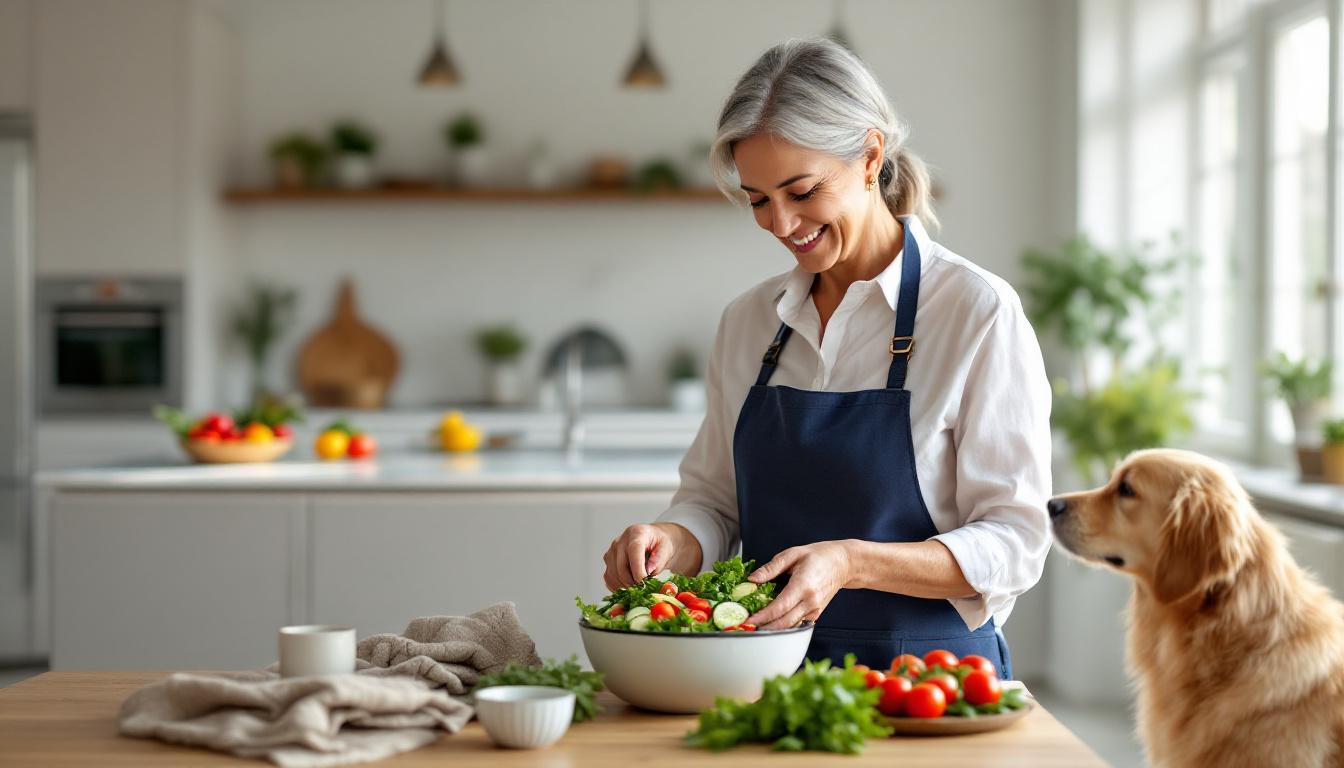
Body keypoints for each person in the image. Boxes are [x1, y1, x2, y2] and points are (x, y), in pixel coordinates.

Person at [601, 38, 1051, 678]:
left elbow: (1016, 541)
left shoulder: (976, 313)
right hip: (761, 679)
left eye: (802, 191)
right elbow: (714, 502)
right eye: (758, 199)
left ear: (870, 156)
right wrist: (670, 541)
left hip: (928, 684)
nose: (781, 224)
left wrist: (852, 561)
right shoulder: (747, 322)